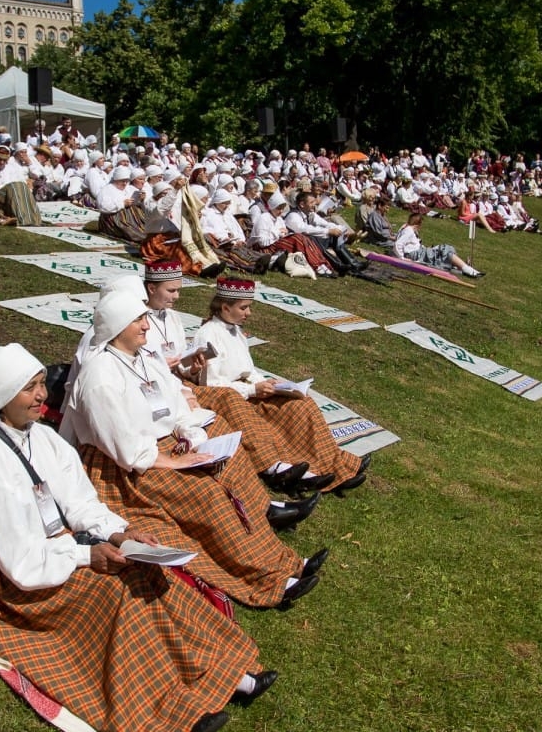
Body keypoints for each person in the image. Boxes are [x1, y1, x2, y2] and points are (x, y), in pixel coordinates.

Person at [0, 344, 272, 732]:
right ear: (1, 395)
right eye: (29, 388)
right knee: (113, 596)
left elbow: (79, 500)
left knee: (149, 574)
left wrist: (118, 531)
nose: (42, 395)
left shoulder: (40, 437)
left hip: (51, 547)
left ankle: (222, 673)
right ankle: (165, 713)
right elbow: (19, 557)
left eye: (42, 384)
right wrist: (86, 555)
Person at [62, 290, 326, 608]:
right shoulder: (100, 376)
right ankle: (265, 580)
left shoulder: (142, 359)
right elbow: (125, 449)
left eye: (145, 318)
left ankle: (286, 563)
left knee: (229, 471)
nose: (147, 326)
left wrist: (189, 434)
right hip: (123, 470)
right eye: (138, 320)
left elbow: (173, 401)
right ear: (118, 327)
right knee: (208, 495)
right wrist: (174, 461)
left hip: (160, 448)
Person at [193, 276, 368, 492]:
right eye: (244, 308)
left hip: (252, 390)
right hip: (232, 397)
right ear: (225, 307)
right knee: (276, 420)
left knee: (301, 404)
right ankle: (303, 471)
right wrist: (251, 390)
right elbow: (211, 383)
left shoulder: (236, 331)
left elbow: (249, 369)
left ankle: (336, 465)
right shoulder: (207, 334)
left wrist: (268, 384)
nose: (249, 313)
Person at [394, 212, 484, 277]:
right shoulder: (409, 230)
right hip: (415, 254)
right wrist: (402, 258)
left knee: (442, 251)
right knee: (444, 249)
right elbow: (398, 244)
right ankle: (468, 269)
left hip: (418, 252)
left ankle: (464, 267)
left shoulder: (406, 228)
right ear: (418, 223)